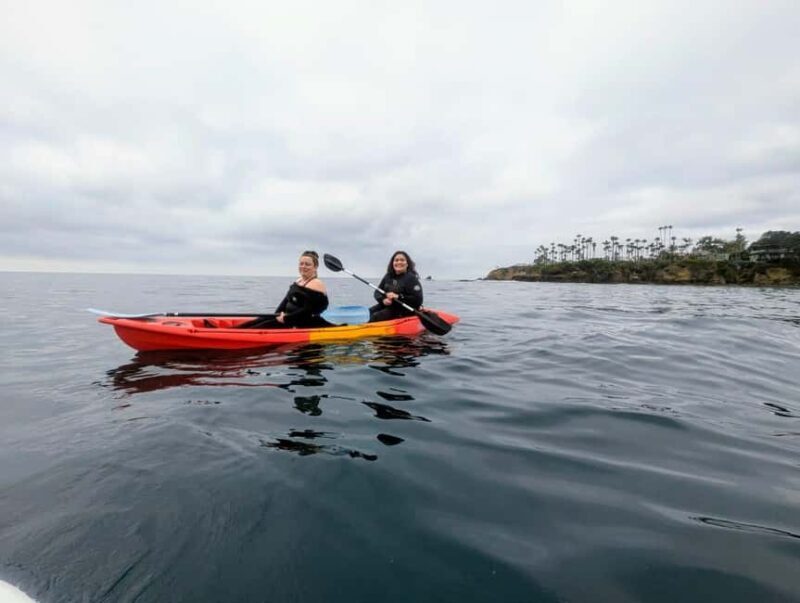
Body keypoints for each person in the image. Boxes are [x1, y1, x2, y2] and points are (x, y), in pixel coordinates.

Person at [239, 250, 331, 329]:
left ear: (315, 267)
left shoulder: (316, 284)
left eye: (307, 264)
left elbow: (308, 310)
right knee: (257, 321)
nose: (303, 266)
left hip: (302, 322)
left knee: (261, 326)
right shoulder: (298, 281)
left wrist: (286, 318)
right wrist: (276, 315)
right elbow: (286, 300)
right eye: (301, 264)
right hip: (287, 318)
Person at [369, 250, 423, 322]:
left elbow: (418, 300)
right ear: (392, 263)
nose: (399, 262)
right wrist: (383, 300)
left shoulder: (411, 279)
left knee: (375, 316)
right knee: (368, 313)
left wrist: (398, 296)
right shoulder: (388, 276)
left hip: (403, 309)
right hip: (389, 306)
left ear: (407, 264)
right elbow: (377, 292)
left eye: (402, 260)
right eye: (396, 260)